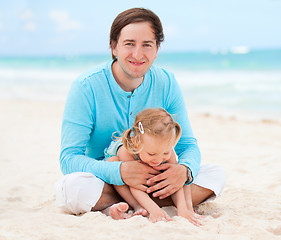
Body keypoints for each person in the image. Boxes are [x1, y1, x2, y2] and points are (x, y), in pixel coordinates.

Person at [55, 7, 226, 220]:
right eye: (129, 44)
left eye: (147, 45)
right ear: (114, 47)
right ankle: (146, 201)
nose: (138, 54)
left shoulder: (167, 83)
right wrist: (120, 172)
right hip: (105, 179)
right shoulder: (85, 87)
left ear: (156, 50)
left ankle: (128, 205)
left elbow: (187, 145)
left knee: (215, 174)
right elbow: (69, 158)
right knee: (72, 187)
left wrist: (184, 172)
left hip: (157, 176)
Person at [105, 108, 202, 226]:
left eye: (165, 153)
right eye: (151, 154)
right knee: (113, 164)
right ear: (137, 143)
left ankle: (187, 208)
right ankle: (137, 205)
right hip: (129, 180)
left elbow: (176, 180)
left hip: (151, 180)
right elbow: (134, 184)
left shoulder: (165, 150)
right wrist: (155, 210)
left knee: (183, 171)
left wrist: (182, 209)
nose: (158, 159)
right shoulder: (127, 152)